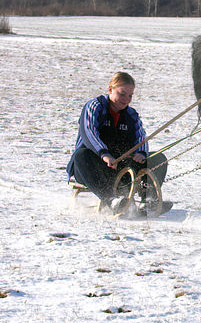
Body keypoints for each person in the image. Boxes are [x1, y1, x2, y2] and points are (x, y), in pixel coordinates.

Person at [67, 72, 172, 216]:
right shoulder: (95, 107)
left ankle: (147, 201)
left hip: (121, 167)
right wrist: (104, 154)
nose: (126, 100)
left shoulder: (131, 115)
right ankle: (111, 199)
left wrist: (141, 153)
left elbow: (141, 137)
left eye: (130, 95)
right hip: (92, 167)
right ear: (110, 89)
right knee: (81, 155)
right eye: (122, 94)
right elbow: (88, 131)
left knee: (159, 158)